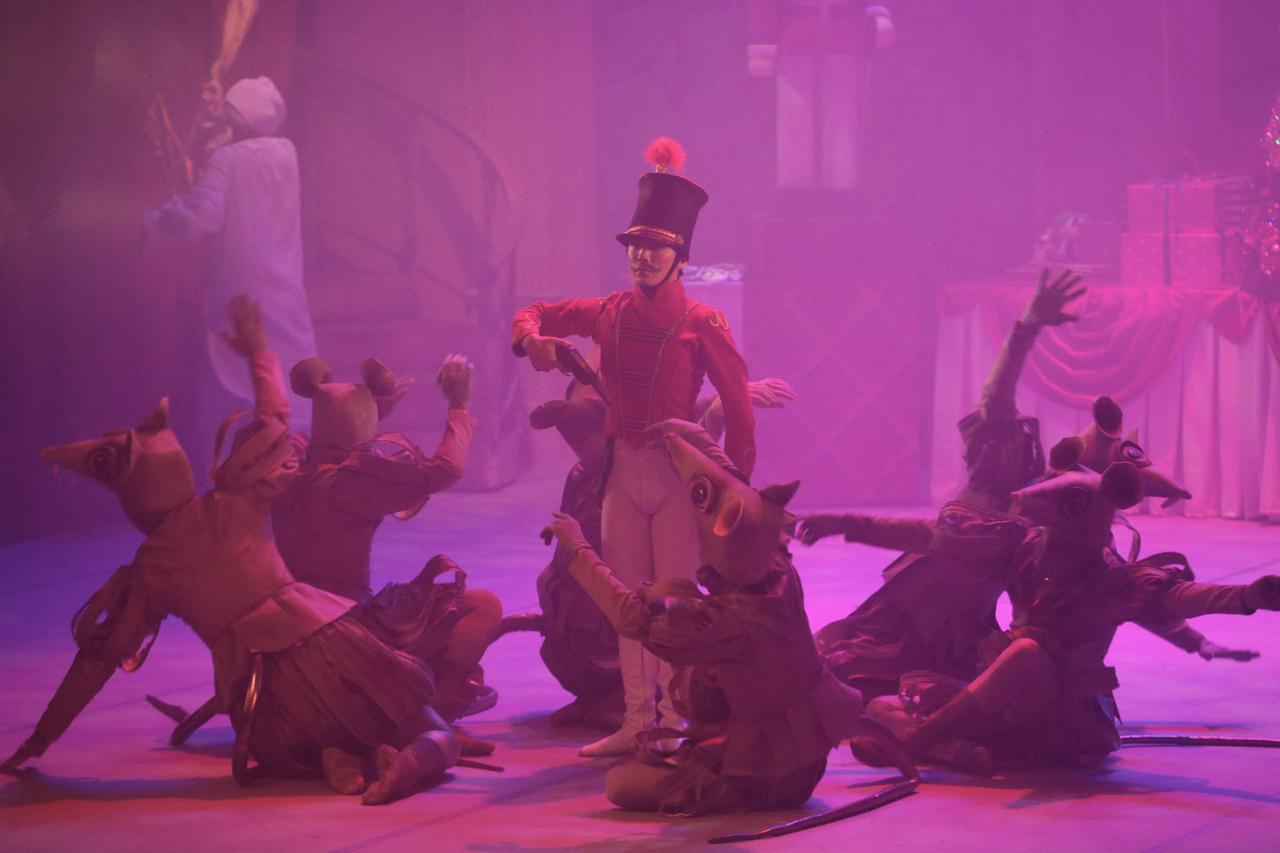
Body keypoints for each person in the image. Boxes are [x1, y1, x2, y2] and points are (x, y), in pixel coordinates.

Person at [1, 298, 459, 805]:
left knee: (313, 732)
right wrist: (258, 351)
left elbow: (97, 662)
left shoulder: (148, 573)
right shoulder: (235, 501)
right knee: (435, 732)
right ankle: (406, 762)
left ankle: (329, 754)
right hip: (322, 638)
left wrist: (43, 735)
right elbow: (274, 418)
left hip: (258, 691)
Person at [511, 138, 756, 756]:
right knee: (626, 597)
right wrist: (531, 342)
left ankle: (675, 721)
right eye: (636, 247)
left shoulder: (705, 323)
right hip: (625, 472)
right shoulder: (608, 313)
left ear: (681, 256)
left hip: (677, 478)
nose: (643, 257)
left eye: (657, 247)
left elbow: (739, 407)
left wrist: (736, 491)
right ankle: (634, 721)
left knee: (671, 601)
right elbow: (533, 312)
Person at [541, 420, 875, 814]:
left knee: (622, 784)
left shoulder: (726, 620)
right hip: (808, 764)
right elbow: (730, 483)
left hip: (761, 776)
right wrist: (691, 437)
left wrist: (579, 549)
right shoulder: (782, 572)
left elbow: (634, 621)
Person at [144, 76, 316, 430]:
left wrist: (156, 218)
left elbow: (201, 216)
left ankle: (236, 462)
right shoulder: (287, 153)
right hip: (284, 280)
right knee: (288, 365)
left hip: (242, 285)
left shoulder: (229, 159)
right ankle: (295, 454)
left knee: (237, 375)